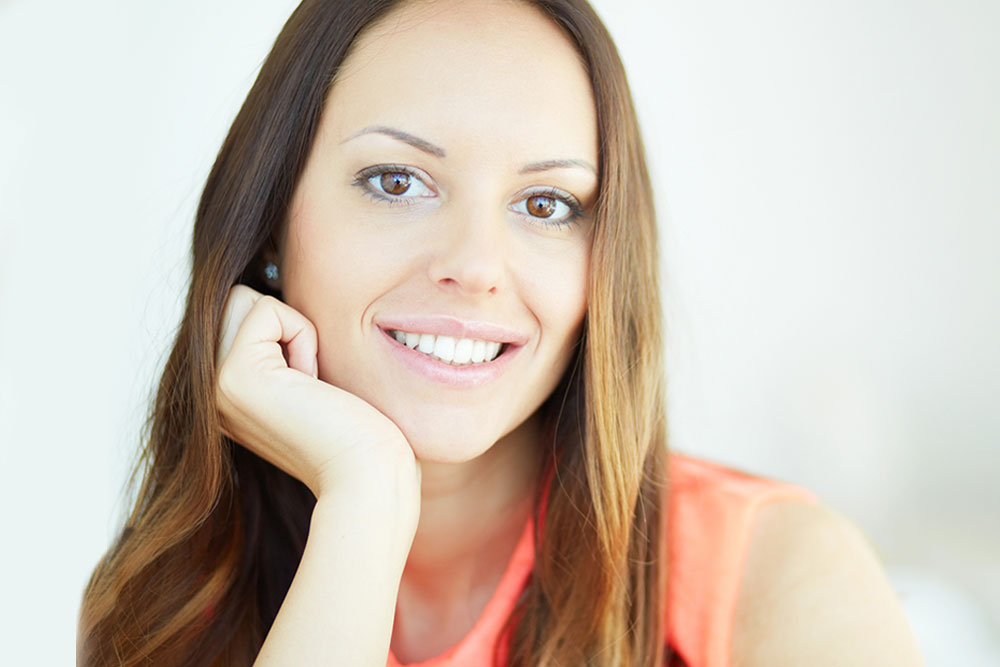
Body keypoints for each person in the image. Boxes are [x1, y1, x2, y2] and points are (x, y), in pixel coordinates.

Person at [78, 0, 923, 665]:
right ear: (270, 223)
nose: (476, 265)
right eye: (397, 180)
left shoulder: (775, 576)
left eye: (546, 205)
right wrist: (365, 500)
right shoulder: (168, 599)